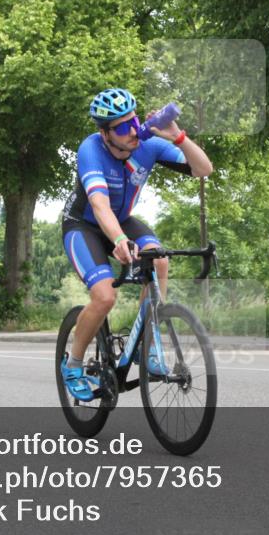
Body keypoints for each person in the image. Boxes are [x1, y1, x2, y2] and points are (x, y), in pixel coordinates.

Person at [59, 88, 213, 401]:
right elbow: (99, 205)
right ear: (105, 133)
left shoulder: (149, 143)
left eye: (133, 122)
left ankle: (147, 345)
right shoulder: (90, 149)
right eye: (120, 127)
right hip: (84, 225)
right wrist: (118, 240)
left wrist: (177, 136)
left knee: (159, 261)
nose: (131, 131)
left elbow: (204, 170)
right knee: (104, 296)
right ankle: (73, 365)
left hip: (123, 218)